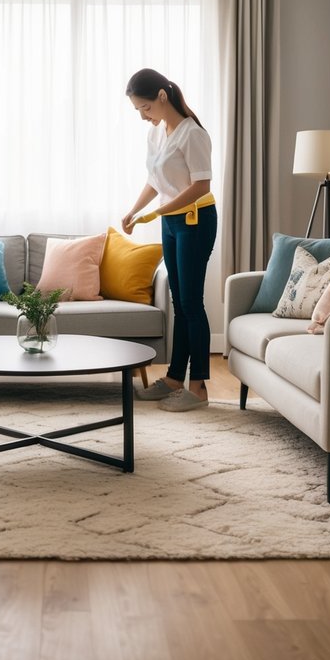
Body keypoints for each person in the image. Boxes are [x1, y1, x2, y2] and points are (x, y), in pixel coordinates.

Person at [121, 68, 216, 412]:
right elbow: (155, 180)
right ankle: (175, 379)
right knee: (179, 303)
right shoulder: (158, 134)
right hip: (171, 221)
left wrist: (157, 214)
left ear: (162, 96)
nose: (144, 116)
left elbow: (200, 186)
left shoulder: (193, 134)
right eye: (138, 111)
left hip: (195, 220)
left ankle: (199, 387)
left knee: (192, 303)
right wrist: (134, 211)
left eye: (145, 108)